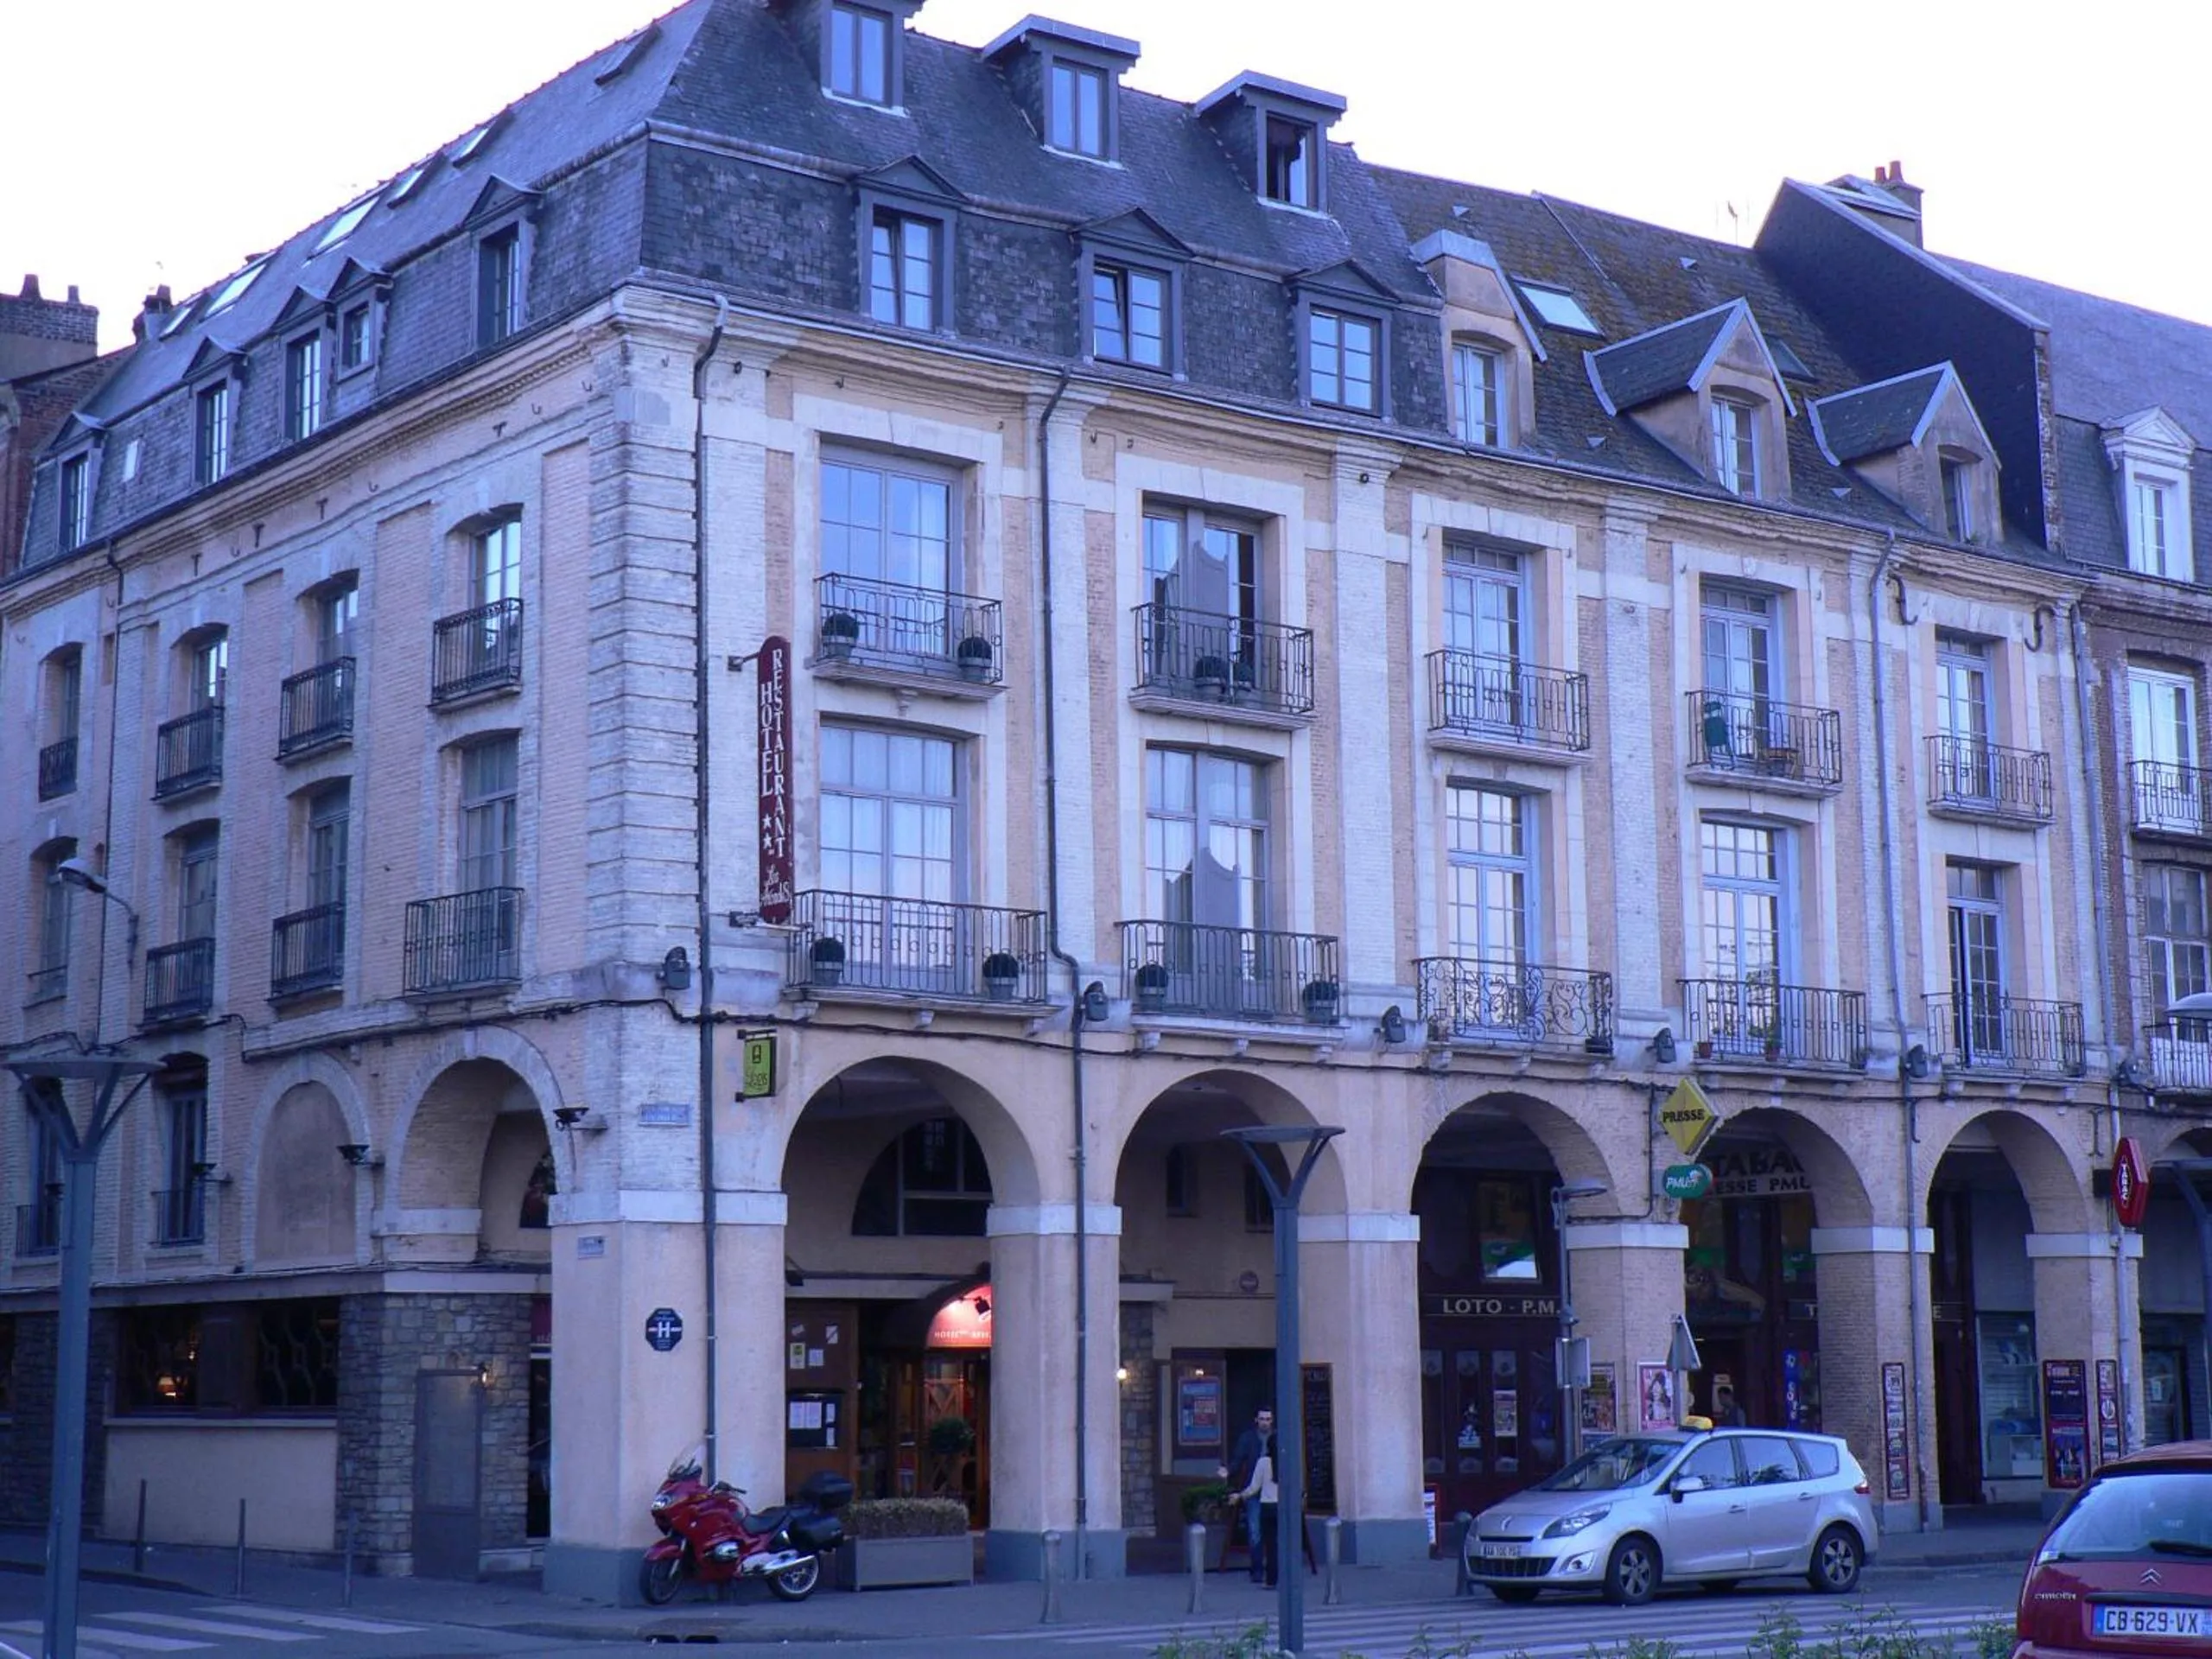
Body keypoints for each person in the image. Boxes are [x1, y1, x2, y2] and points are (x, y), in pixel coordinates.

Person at [1220, 1406, 1274, 1581]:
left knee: (1274, 1531)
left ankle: (1274, 1568)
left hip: (1274, 1491)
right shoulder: (1248, 1438)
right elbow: (1238, 1459)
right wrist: (1229, 1471)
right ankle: (1257, 1569)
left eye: (1268, 1419)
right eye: (1262, 1419)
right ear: (1256, 1420)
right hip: (1255, 1490)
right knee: (1255, 1530)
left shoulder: (1277, 1437)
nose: (1265, 1422)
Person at [1234, 1431, 1281, 1587]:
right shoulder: (1288, 1462)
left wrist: (1240, 1496)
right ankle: (1285, 1575)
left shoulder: (1263, 1462)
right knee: (1284, 1543)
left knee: (1270, 1543)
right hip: (1283, 1506)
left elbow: (1254, 1488)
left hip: (1268, 1506)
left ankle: (1270, 1578)